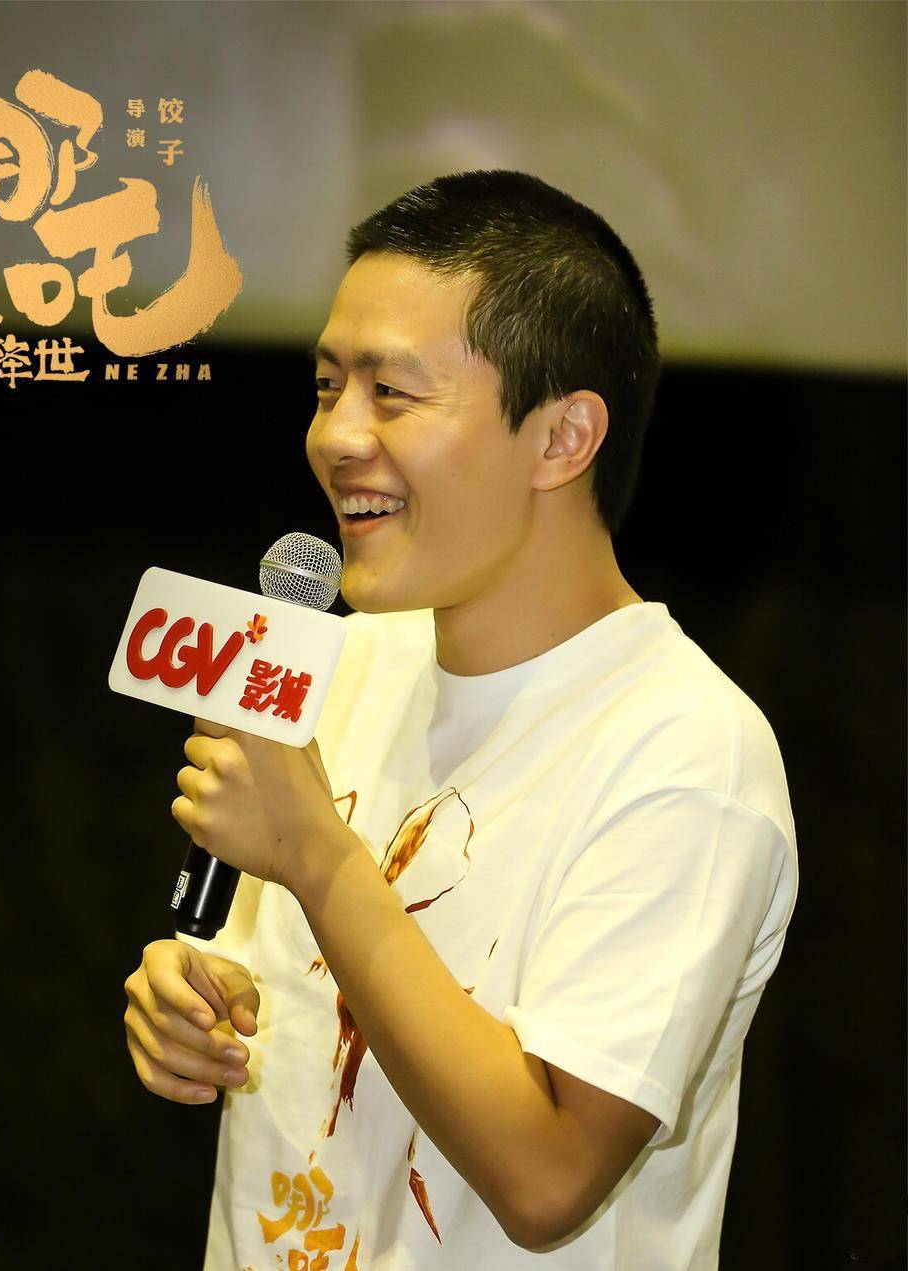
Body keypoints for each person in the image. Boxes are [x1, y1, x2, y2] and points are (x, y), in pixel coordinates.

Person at [123, 170, 798, 1268]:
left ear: (562, 438)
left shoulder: (686, 750)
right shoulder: (343, 661)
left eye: (392, 392)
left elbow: (550, 1178)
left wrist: (319, 856)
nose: (335, 435)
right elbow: (271, 986)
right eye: (327, 384)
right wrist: (190, 997)